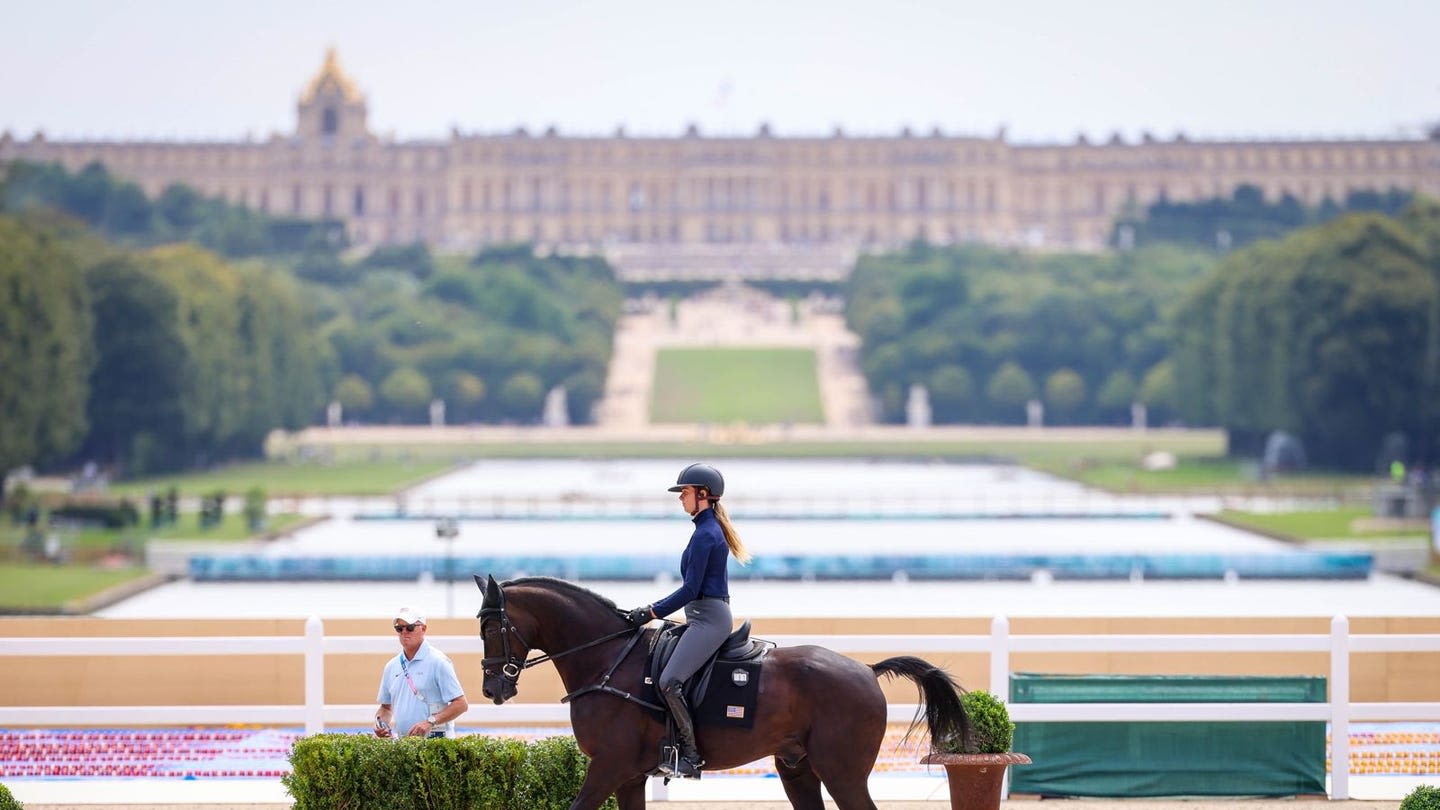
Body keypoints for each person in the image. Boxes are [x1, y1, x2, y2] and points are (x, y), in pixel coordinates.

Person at [626, 462, 750, 779]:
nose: (681, 498)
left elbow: (690, 590)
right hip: (701, 617)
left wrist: (651, 612)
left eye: (685, 492)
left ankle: (692, 756)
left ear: (703, 495)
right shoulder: (704, 530)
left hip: (709, 620)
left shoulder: (707, 535)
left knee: (669, 681)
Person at [374, 607, 468, 738]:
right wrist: (380, 724)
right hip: (405, 745)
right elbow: (385, 708)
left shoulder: (438, 662)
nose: (404, 632)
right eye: (399, 629)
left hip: (437, 743)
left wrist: (430, 722)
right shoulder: (391, 666)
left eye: (410, 627)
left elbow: (461, 704)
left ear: (423, 629)